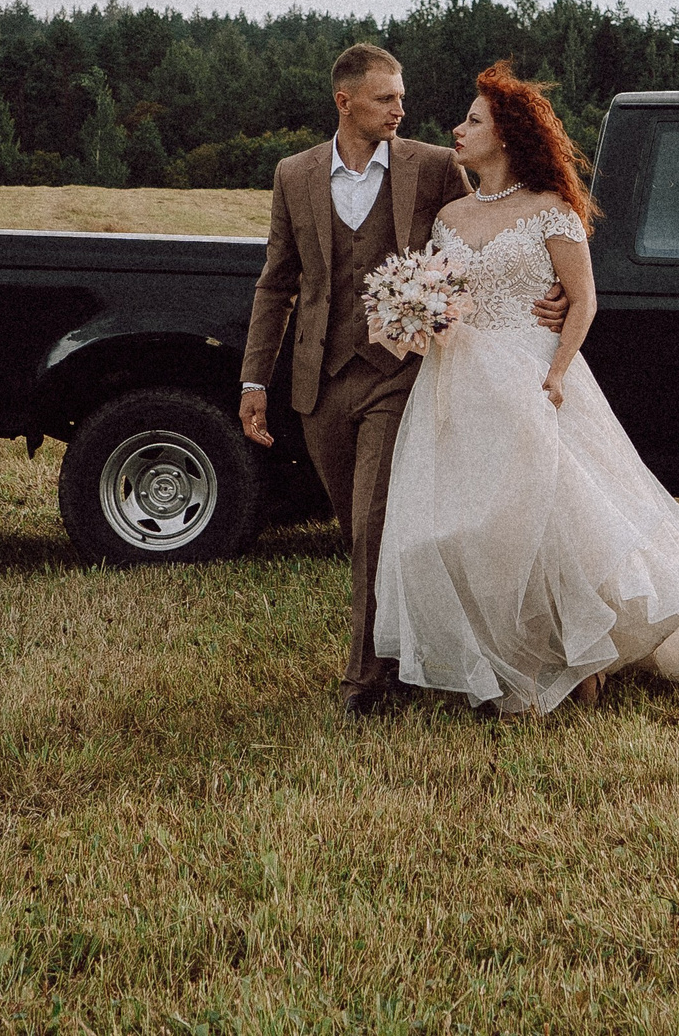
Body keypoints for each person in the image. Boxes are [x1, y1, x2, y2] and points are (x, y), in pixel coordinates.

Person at [373, 62, 679, 717]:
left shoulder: (551, 211)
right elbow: (447, 294)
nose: (458, 130)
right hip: (458, 378)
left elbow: (583, 300)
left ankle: (581, 653)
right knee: (470, 522)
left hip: (531, 375)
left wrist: (556, 371)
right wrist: (416, 309)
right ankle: (503, 655)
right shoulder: (449, 217)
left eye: (473, 120)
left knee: (552, 521)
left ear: (507, 135)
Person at [238, 44, 567, 715]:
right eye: (385, 97)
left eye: (401, 97)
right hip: (321, 382)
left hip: (402, 376)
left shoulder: (436, 165)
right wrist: (254, 382)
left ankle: (366, 682)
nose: (399, 109)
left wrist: (551, 288)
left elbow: (489, 234)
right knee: (356, 529)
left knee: (375, 525)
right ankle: (409, 649)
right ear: (345, 101)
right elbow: (277, 284)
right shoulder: (294, 174)